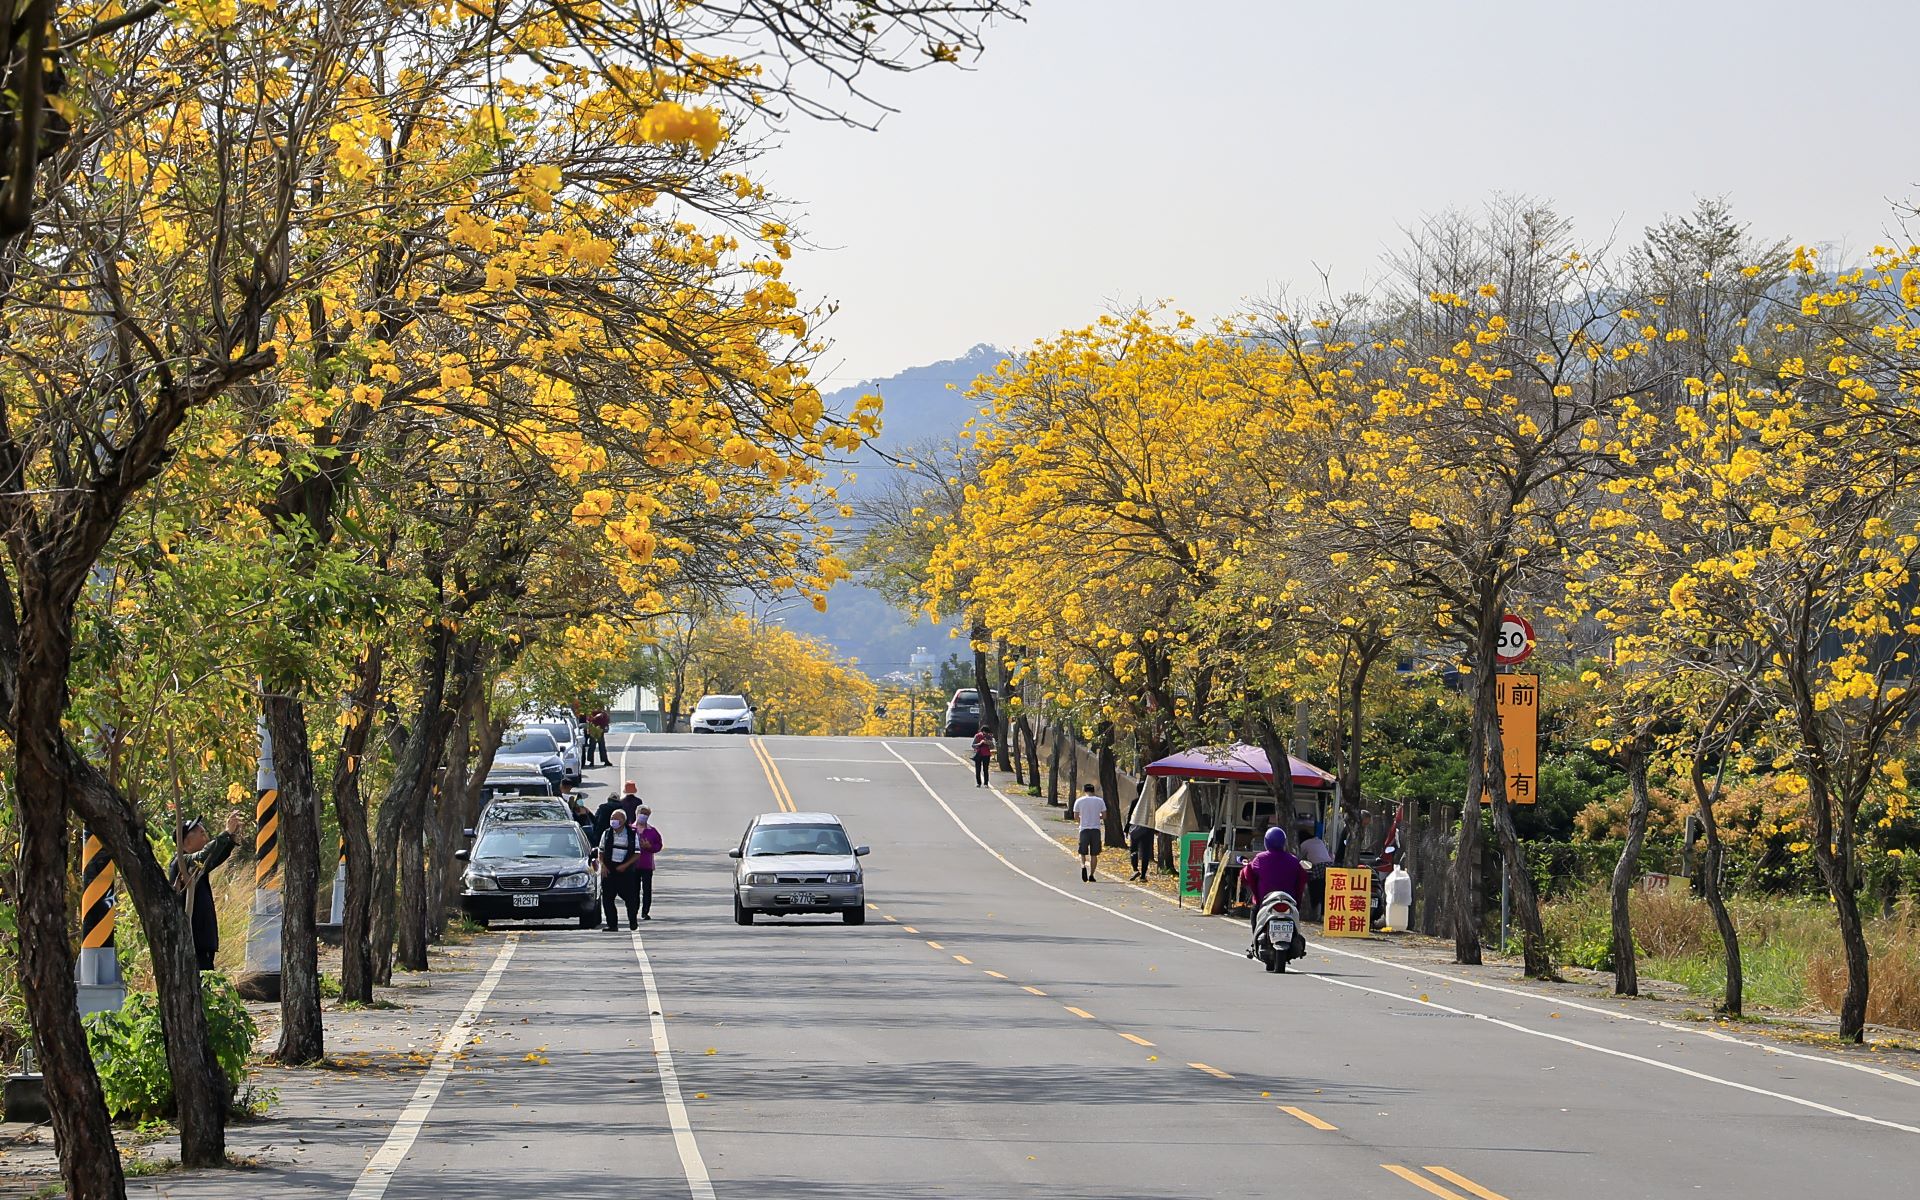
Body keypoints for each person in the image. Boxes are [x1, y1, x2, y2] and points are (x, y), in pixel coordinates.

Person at [169, 811, 245, 971]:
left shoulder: (196, 866)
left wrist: (230, 839)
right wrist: (226, 833)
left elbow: (214, 858)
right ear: (186, 841)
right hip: (193, 943)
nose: (206, 838)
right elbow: (205, 856)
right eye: (202, 833)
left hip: (201, 943)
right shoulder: (182, 862)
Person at [1240, 826, 1307, 941]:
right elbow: (1302, 879)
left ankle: (1254, 941)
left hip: (1265, 901)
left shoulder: (1260, 859)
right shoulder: (1293, 860)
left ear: (1266, 842)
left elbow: (1246, 874)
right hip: (1289, 901)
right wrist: (1298, 902)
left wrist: (1254, 891)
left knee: (1255, 910)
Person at [599, 809, 643, 930]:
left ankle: (633, 921)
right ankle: (612, 925)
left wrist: (625, 865)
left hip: (625, 871)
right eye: (612, 818)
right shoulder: (607, 833)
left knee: (631, 899)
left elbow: (637, 853)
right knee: (607, 899)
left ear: (623, 821)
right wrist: (603, 865)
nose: (613, 821)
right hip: (609, 870)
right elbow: (601, 851)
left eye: (616, 819)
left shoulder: (632, 834)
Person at [631, 810, 664, 921]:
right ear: (637, 814)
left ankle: (645, 911)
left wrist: (649, 846)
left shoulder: (652, 831)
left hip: (647, 865)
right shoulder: (631, 829)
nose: (643, 816)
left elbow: (658, 845)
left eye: (646, 814)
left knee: (647, 889)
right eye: (641, 813)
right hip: (633, 865)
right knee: (634, 889)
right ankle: (633, 910)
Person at [1073, 783, 1106, 883]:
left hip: (1084, 829)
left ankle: (1083, 866)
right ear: (1093, 791)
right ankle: (1091, 875)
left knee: (1082, 852)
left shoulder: (1079, 801)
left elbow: (1075, 816)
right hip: (1096, 829)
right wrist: (1097, 817)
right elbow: (1104, 816)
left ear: (1084, 790)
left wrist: (1082, 821)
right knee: (1094, 854)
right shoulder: (1100, 801)